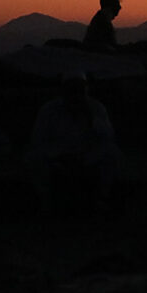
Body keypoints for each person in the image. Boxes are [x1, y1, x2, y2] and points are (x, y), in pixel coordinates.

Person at [28, 72, 121, 215]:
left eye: (79, 89)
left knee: (112, 153)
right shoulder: (49, 110)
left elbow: (108, 137)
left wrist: (92, 119)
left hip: (87, 156)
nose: (76, 94)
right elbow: (38, 139)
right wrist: (58, 156)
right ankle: (45, 200)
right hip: (58, 155)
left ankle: (102, 198)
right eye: (72, 89)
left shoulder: (96, 108)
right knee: (34, 157)